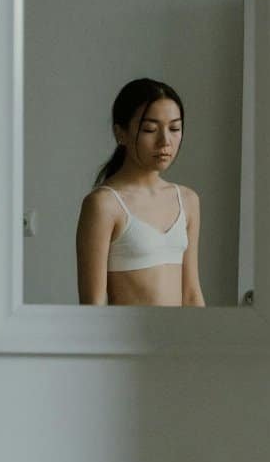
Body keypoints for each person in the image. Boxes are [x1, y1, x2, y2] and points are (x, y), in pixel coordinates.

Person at [76, 78, 205, 306]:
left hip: (182, 339)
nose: (165, 141)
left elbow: (192, 293)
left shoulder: (187, 200)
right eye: (150, 129)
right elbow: (93, 304)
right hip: (124, 341)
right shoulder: (104, 204)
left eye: (175, 128)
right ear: (121, 133)